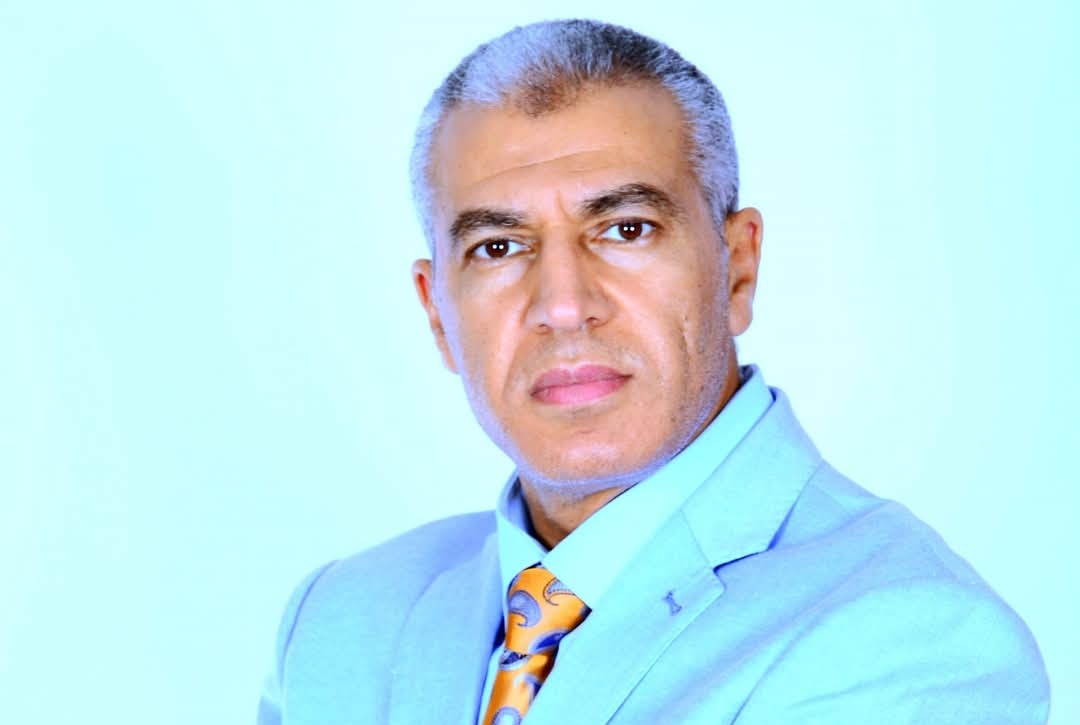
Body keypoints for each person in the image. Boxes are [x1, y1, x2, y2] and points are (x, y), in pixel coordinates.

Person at [257, 19, 1049, 725]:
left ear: (737, 269)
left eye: (626, 229)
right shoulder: (339, 621)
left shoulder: (910, 638)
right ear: (439, 315)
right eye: (498, 247)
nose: (563, 306)